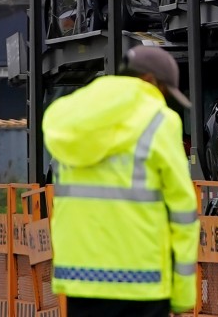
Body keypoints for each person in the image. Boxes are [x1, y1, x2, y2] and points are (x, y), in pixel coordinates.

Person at [43, 45, 199, 317]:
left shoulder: (74, 117)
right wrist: (183, 293)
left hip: (81, 279)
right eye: (163, 91)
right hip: (142, 280)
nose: (163, 100)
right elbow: (182, 211)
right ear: (149, 80)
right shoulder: (160, 120)